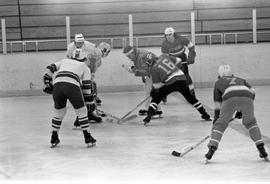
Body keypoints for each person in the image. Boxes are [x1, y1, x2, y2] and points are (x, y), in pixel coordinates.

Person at [205, 64, 268, 162]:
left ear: (220, 74)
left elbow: (217, 103)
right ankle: (261, 148)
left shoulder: (218, 82)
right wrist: (242, 110)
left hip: (229, 98)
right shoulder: (241, 79)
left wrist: (217, 119)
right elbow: (253, 91)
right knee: (251, 123)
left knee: (220, 125)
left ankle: (211, 149)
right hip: (247, 97)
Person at [142, 53, 211, 125]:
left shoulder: (153, 68)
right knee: (190, 98)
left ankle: (148, 117)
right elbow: (179, 60)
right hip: (181, 78)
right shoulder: (164, 56)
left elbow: (157, 86)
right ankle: (205, 114)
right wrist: (176, 69)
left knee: (156, 99)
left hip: (170, 83)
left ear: (149, 62)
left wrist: (153, 91)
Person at [42, 57, 96, 148]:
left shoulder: (64, 61)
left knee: (59, 113)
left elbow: (49, 69)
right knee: (82, 112)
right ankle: (88, 137)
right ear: (84, 59)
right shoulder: (84, 67)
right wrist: (89, 102)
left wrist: (47, 83)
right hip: (72, 85)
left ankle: (54, 137)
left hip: (57, 84)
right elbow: (86, 87)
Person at [122, 45, 163, 116]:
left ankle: (155, 110)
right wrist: (136, 71)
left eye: (129, 56)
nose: (129, 58)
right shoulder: (137, 55)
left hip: (157, 71)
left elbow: (146, 71)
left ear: (132, 53)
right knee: (148, 90)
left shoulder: (141, 56)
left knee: (150, 91)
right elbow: (143, 68)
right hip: (153, 71)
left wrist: (136, 71)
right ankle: (151, 108)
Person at [161, 27, 196, 97]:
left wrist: (191, 57)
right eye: (166, 35)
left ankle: (192, 92)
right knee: (166, 76)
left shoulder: (182, 39)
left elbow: (191, 47)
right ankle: (163, 94)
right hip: (172, 59)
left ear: (174, 34)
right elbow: (165, 56)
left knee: (186, 75)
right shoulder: (164, 44)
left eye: (170, 35)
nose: (168, 36)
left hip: (182, 57)